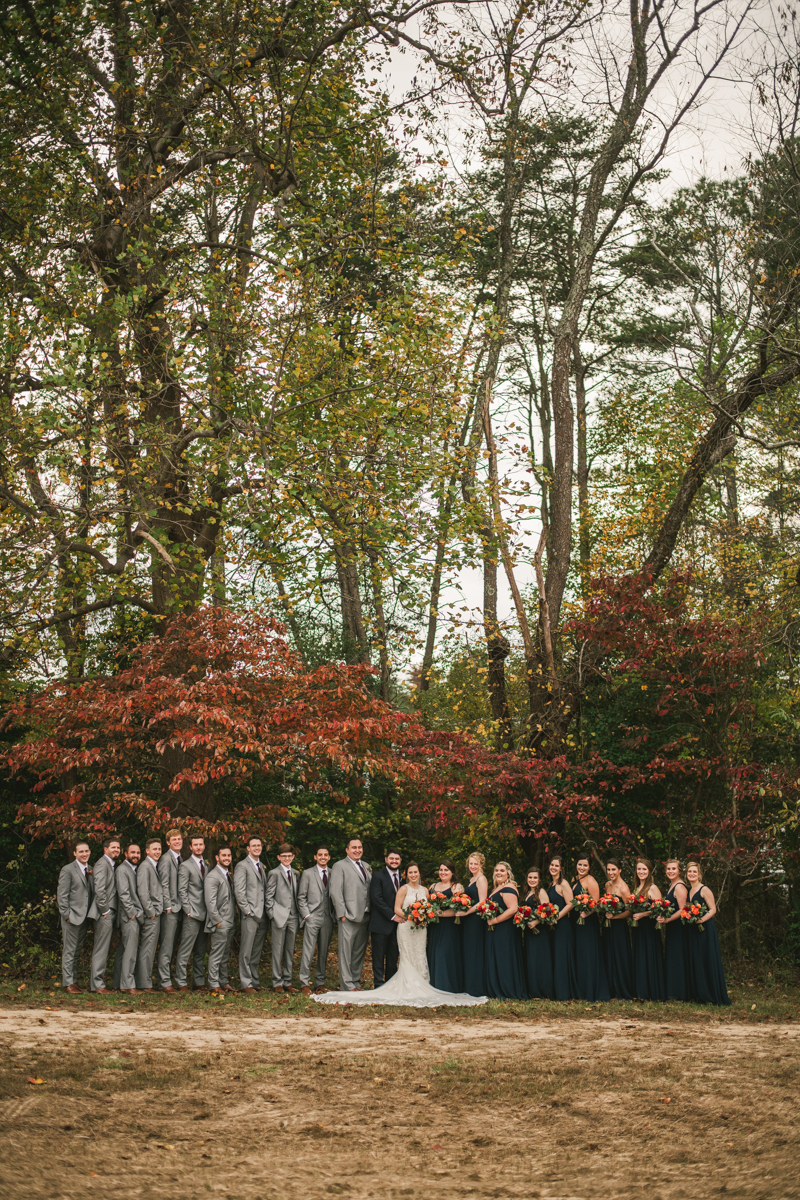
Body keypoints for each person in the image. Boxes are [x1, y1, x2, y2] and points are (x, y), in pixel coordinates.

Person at [313, 861, 486, 1008]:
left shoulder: (426, 890)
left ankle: (423, 985)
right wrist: (412, 916)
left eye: (415, 872)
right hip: (406, 926)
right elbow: (397, 908)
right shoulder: (403, 889)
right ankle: (408, 986)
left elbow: (431, 909)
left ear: (419, 874)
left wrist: (424, 917)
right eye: (410, 872)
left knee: (420, 955)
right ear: (406, 874)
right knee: (407, 956)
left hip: (422, 928)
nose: (413, 874)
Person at [329, 836, 372, 991]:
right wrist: (342, 914)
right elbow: (335, 892)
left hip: (365, 915)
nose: (357, 850)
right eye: (354, 847)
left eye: (359, 847)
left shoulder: (366, 866)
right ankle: (347, 984)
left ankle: (355, 981)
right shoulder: (339, 866)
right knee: (346, 952)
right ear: (347, 850)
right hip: (348, 916)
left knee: (359, 951)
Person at [685, 861, 731, 1006]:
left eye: (694, 872)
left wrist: (701, 919)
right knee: (697, 960)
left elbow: (713, 909)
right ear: (686, 874)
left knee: (706, 958)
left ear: (699, 874)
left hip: (705, 928)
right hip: (693, 929)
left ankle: (712, 995)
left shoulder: (704, 889)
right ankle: (701, 994)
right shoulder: (689, 890)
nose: (692, 874)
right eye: (689, 872)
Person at [57, 841, 97, 994]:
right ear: (75, 853)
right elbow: (62, 895)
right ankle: (68, 983)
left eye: (86, 851)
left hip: (85, 917)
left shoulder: (91, 869)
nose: (84, 854)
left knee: (76, 951)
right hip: (72, 917)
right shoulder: (67, 870)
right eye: (81, 851)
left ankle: (73, 981)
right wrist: (66, 915)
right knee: (69, 950)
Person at [571, 854, 610, 1003]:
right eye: (580, 865)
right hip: (576, 921)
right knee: (579, 954)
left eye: (585, 865)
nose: (582, 868)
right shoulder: (574, 879)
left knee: (588, 954)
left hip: (587, 922)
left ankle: (591, 991)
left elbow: (597, 904)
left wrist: (587, 912)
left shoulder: (591, 881)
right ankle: (580, 989)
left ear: (589, 867)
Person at [485, 861, 527, 1000]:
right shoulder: (497, 887)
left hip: (505, 929)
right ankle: (497, 988)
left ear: (508, 873)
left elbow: (513, 909)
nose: (498, 873)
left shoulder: (509, 887)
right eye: (496, 870)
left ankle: (507, 990)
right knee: (498, 958)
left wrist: (495, 920)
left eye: (502, 871)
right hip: (496, 929)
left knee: (504, 958)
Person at [234, 834, 269, 994]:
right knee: (246, 951)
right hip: (250, 914)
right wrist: (247, 911)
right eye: (254, 845)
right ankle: (245, 983)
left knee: (256, 950)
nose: (257, 848)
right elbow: (239, 891)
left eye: (259, 845)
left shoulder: (261, 866)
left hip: (262, 915)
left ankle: (254, 981)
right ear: (248, 848)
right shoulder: (242, 866)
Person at [298, 845, 335, 995]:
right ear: (315, 857)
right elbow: (301, 897)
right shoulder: (307, 873)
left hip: (328, 917)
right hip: (313, 916)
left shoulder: (334, 873)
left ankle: (320, 982)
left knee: (324, 951)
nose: (323, 857)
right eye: (320, 855)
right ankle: (304, 982)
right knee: (308, 950)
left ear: (329, 857)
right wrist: (307, 915)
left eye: (325, 855)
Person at [265, 843, 300, 993]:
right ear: (279, 857)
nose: (286, 858)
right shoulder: (274, 873)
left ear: (293, 857)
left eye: (289, 856)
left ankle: (288, 981)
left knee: (289, 950)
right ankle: (277, 982)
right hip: (279, 916)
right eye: (283, 856)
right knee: (277, 951)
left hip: (293, 917)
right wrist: (272, 915)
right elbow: (268, 897)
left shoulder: (297, 873)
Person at [630, 856, 665, 1002]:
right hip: (638, 928)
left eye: (644, 869)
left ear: (650, 871)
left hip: (649, 927)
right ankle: (641, 992)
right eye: (639, 869)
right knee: (640, 957)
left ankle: (652, 992)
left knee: (649, 956)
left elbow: (659, 908)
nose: (641, 871)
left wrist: (643, 914)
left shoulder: (652, 888)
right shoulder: (637, 888)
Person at [175, 835, 208, 992]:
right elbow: (182, 890)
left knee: (200, 951)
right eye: (195, 845)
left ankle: (198, 981)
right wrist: (188, 911)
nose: (198, 847)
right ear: (190, 847)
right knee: (185, 950)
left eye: (201, 844)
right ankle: (181, 982)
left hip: (205, 914)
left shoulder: (206, 865)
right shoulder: (185, 866)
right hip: (192, 913)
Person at [427, 859, 464, 992]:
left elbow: (459, 910)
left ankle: (446, 987)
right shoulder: (432, 886)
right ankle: (434, 986)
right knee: (433, 953)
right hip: (434, 927)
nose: (443, 872)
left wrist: (440, 913)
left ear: (452, 872)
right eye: (441, 870)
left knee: (444, 954)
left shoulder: (456, 887)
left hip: (449, 926)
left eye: (446, 870)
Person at [369, 848, 403, 987]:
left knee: (393, 956)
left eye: (397, 859)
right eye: (391, 858)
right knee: (378, 957)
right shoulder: (378, 876)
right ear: (386, 860)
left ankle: (391, 984)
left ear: (400, 861)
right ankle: (378, 984)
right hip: (380, 924)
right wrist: (392, 915)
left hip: (398, 925)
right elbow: (377, 899)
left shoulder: (404, 877)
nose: (394, 861)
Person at [90, 835, 120, 994]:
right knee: (101, 948)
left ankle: (98, 982)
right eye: (113, 847)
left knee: (104, 947)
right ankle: (97, 985)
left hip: (109, 912)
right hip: (104, 913)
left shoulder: (111, 864)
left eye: (118, 848)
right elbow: (99, 889)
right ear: (105, 849)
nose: (116, 850)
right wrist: (105, 911)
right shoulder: (102, 864)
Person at [205, 845, 236, 993]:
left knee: (224, 955)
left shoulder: (227, 874)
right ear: (217, 857)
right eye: (223, 855)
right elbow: (210, 902)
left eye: (229, 855)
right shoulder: (213, 876)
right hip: (221, 922)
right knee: (216, 954)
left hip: (230, 921)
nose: (227, 858)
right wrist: (218, 921)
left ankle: (224, 982)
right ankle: (213, 983)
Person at [658, 858, 690, 1001]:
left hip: (679, 928)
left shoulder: (679, 887)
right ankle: (673, 992)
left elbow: (684, 910)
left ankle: (680, 993)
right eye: (668, 869)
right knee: (672, 958)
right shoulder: (671, 886)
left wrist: (667, 919)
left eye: (673, 869)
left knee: (678, 958)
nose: (670, 871)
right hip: (672, 927)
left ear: (680, 871)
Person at [113, 843, 143, 994]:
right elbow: (123, 894)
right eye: (132, 852)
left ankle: (118, 982)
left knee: (123, 951)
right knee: (130, 951)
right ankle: (128, 985)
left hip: (131, 915)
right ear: (125, 854)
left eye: (138, 853)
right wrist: (133, 913)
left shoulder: (134, 869)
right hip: (129, 916)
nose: (136, 855)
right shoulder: (122, 870)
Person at [156, 828, 184, 993]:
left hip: (179, 907)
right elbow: (164, 884)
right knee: (166, 946)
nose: (177, 841)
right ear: (168, 842)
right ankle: (164, 982)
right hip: (170, 909)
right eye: (174, 839)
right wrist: (168, 906)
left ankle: (170, 979)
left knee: (173, 945)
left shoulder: (181, 858)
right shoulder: (166, 859)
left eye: (179, 839)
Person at [134, 838, 163, 991]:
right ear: (147, 851)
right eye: (154, 849)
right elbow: (143, 891)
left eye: (159, 849)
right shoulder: (145, 866)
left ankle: (144, 981)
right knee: (147, 948)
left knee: (150, 948)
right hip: (151, 914)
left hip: (155, 913)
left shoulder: (154, 865)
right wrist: (150, 911)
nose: (157, 852)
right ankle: (144, 983)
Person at [548, 856, 577, 1001]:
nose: (553, 867)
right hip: (552, 926)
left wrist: (557, 917)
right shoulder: (551, 884)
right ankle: (556, 991)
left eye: (556, 865)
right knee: (555, 957)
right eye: (552, 865)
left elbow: (570, 904)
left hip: (562, 924)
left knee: (562, 958)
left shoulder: (564, 884)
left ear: (561, 868)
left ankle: (564, 993)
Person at [603, 858, 633, 1001]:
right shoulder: (607, 885)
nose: (611, 872)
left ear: (620, 870)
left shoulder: (624, 888)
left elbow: (630, 912)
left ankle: (622, 990)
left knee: (620, 956)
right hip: (607, 926)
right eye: (609, 870)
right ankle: (610, 990)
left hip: (619, 926)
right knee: (608, 955)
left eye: (613, 869)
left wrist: (614, 917)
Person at [522, 867, 554, 1000]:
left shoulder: (541, 892)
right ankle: (533, 990)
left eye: (535, 877)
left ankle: (543, 991)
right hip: (530, 932)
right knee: (532, 960)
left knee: (540, 960)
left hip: (540, 931)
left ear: (539, 879)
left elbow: (549, 912)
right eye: (530, 877)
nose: (532, 880)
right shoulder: (527, 892)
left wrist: (536, 922)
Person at [461, 851, 489, 997]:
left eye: (475, 863)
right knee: (469, 950)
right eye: (471, 863)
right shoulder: (472, 879)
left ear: (481, 864)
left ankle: (476, 988)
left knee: (475, 950)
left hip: (476, 918)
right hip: (468, 919)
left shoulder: (481, 879)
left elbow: (483, 902)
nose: (472, 866)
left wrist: (466, 912)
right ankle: (469, 985)